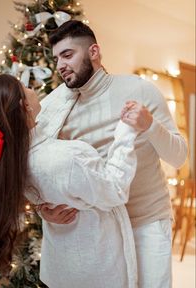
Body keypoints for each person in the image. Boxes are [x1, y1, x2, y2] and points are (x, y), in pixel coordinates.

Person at [38, 20, 188, 288]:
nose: (60, 65)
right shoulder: (54, 107)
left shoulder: (138, 90)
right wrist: (43, 210)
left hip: (145, 221)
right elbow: (43, 166)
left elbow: (178, 157)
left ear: (94, 52)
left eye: (68, 55)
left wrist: (149, 126)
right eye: (57, 58)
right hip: (96, 233)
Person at [0, 74, 141, 287]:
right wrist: (126, 131)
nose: (32, 88)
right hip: (96, 268)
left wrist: (40, 210)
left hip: (60, 268)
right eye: (25, 87)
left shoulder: (14, 162)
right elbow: (115, 190)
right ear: (25, 106)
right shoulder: (67, 158)